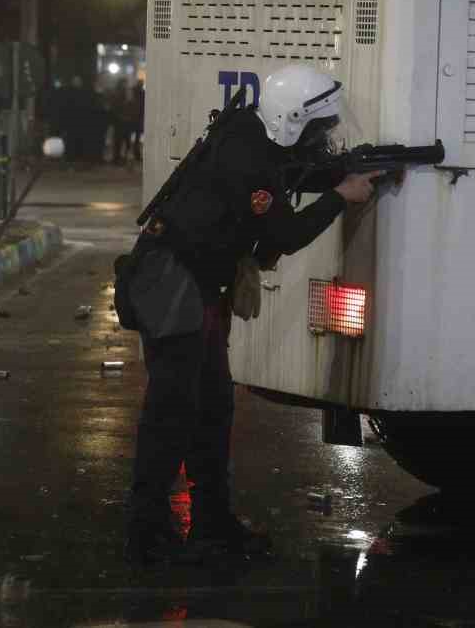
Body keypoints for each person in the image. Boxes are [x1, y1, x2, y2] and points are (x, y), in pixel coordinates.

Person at [124, 64, 385, 566]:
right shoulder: (250, 160)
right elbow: (282, 236)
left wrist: (343, 169)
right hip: (173, 283)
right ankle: (147, 534)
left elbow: (289, 172)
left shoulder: (252, 135)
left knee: (212, 409)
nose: (321, 139)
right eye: (317, 129)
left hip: (195, 285)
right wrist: (340, 196)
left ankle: (212, 523)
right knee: (172, 413)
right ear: (292, 122)